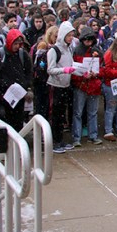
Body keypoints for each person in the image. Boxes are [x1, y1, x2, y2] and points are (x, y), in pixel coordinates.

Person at [0, 28, 33, 156]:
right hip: (2, 96)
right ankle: (3, 148)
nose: (17, 47)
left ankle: (16, 147)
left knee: (17, 121)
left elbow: (28, 73)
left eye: (19, 44)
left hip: (18, 95)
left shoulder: (23, 55)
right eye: (15, 44)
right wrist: (6, 85)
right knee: (3, 122)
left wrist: (25, 85)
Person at [46, 22, 77, 153]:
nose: (71, 38)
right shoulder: (54, 50)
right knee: (55, 115)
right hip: (55, 86)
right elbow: (50, 69)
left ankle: (60, 139)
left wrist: (80, 71)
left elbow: (71, 65)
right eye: (69, 35)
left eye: (72, 35)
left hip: (65, 85)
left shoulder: (68, 49)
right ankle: (55, 141)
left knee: (61, 115)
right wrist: (64, 70)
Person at [71, 26, 104, 146]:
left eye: (90, 39)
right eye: (86, 39)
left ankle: (93, 135)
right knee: (78, 113)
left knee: (92, 112)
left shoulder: (97, 51)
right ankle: (76, 137)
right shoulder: (77, 51)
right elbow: (73, 70)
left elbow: (103, 68)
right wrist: (81, 76)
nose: (88, 41)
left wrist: (97, 74)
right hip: (81, 85)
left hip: (93, 85)